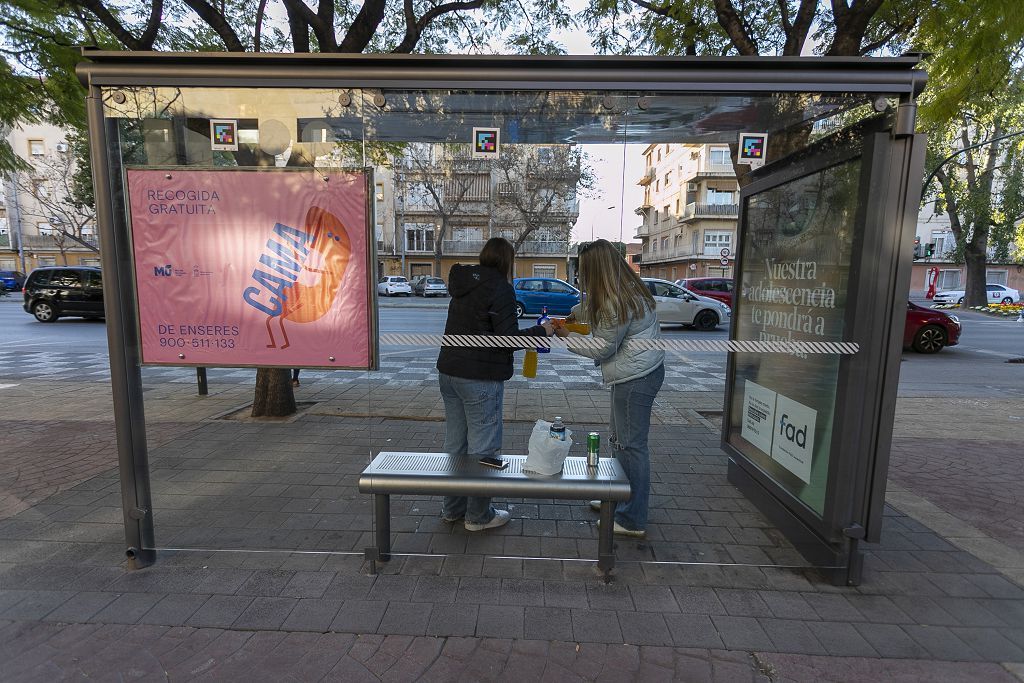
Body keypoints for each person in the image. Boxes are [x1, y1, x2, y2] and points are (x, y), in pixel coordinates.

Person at [436, 237, 553, 531]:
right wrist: (543, 330)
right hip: (480, 379)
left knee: (456, 445)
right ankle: (477, 516)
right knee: (484, 449)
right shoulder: (500, 287)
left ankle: (452, 509)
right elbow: (507, 340)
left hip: (449, 373)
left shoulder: (463, 282)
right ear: (506, 261)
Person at [554, 239, 664, 537]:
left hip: (635, 379)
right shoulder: (623, 290)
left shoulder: (616, 301)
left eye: (584, 269)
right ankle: (617, 499)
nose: (580, 276)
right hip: (635, 375)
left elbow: (602, 346)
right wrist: (576, 314)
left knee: (631, 447)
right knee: (619, 442)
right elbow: (596, 311)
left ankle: (632, 519)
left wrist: (565, 335)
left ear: (597, 270)